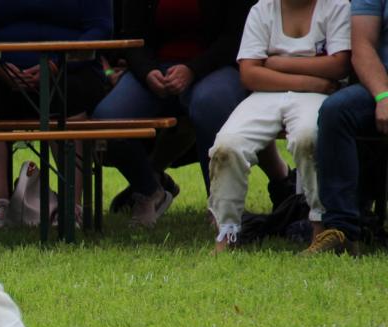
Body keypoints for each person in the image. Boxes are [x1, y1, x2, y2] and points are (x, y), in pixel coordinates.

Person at [92, 0, 290, 227]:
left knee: (210, 104)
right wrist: (147, 72)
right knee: (107, 119)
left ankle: (219, 205)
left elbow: (237, 36)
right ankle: (149, 190)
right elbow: (131, 36)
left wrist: (193, 70)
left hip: (216, 66)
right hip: (156, 69)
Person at [208, 0, 351, 251]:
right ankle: (226, 232)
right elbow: (250, 75)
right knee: (226, 146)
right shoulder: (262, 9)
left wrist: (276, 63)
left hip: (315, 96)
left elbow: (338, 65)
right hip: (271, 94)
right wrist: (312, 82)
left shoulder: (336, 6)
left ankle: (319, 226)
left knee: (310, 138)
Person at [0, 0, 112, 229]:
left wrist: (56, 65)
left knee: (71, 96)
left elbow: (100, 29)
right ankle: (1, 206)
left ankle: (72, 207)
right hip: (3, 73)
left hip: (71, 69)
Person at [305, 0, 388, 254]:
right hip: (382, 81)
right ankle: (342, 230)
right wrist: (383, 97)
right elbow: (362, 46)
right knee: (337, 111)